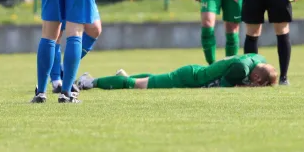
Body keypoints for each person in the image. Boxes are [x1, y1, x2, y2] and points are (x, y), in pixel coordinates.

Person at [76, 53, 277, 90]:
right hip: (189, 78)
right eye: (259, 84)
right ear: (257, 77)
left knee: (152, 79)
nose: (255, 86)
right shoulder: (242, 68)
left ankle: (122, 77)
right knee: (139, 86)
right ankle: (90, 82)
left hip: (194, 72)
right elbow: (225, 87)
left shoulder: (257, 60)